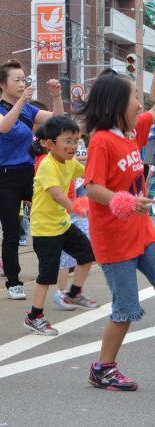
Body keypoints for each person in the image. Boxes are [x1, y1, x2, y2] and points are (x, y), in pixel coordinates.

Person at [82, 70, 155, 391]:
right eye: (135, 97)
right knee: (125, 309)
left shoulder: (132, 133)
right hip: (114, 241)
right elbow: (93, 187)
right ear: (116, 104)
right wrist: (125, 202)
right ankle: (103, 369)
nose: (140, 104)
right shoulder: (101, 141)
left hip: (143, 233)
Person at [0, 59, 64, 300]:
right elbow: (5, 126)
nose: (22, 84)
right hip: (2, 176)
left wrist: (57, 96)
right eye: (16, 81)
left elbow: (58, 121)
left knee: (53, 211)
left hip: (28, 173)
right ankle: (13, 282)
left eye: (24, 80)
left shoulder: (29, 109)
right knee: (12, 231)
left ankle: (58, 265)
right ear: (2, 84)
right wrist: (22, 100)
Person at [23, 116, 95, 335]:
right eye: (68, 141)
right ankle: (34, 317)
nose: (73, 146)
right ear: (50, 144)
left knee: (87, 254)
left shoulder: (70, 162)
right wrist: (75, 206)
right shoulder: (47, 165)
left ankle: (74, 292)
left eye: (76, 141)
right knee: (47, 275)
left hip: (62, 224)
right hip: (45, 228)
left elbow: (89, 172)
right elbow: (55, 193)